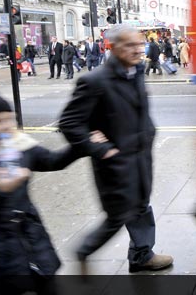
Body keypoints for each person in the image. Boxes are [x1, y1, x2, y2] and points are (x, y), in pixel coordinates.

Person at [59, 26, 173, 274]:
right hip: (115, 162)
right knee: (119, 216)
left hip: (141, 157)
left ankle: (142, 256)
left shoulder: (136, 71)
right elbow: (69, 123)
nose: (137, 50)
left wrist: (149, 132)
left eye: (139, 44)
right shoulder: (94, 80)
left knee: (141, 206)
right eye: (130, 45)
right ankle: (84, 250)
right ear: (113, 47)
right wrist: (99, 148)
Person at [0, 83, 96, 293]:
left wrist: (83, 145)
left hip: (31, 245)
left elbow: (52, 161)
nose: (6, 127)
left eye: (9, 119)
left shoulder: (20, 146)